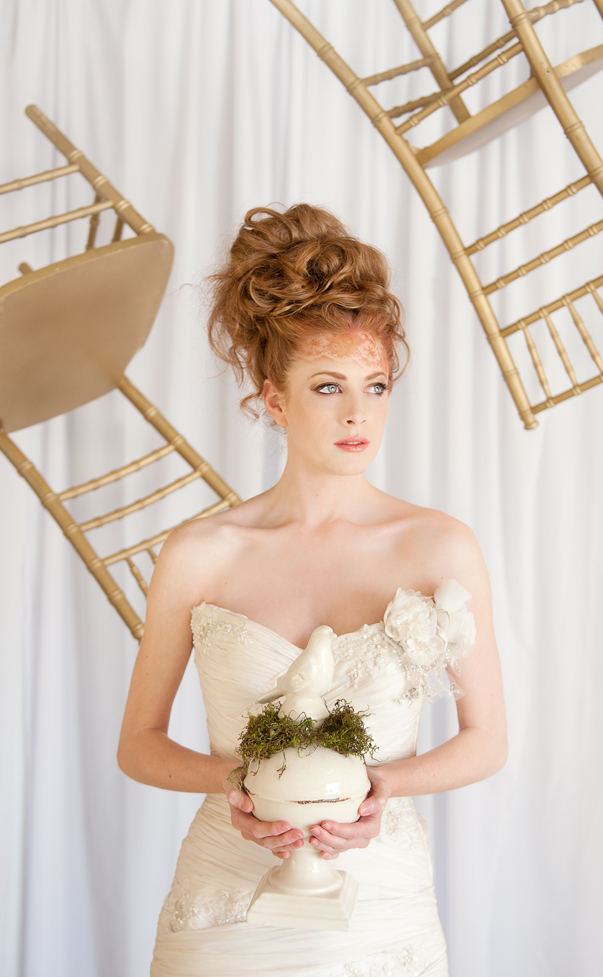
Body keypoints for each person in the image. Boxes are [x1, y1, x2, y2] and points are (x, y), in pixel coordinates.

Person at [117, 203, 507, 977]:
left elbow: (487, 740)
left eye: (377, 384)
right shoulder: (201, 553)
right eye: (329, 387)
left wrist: (382, 785)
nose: (360, 412)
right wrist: (239, 783)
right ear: (274, 398)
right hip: (228, 904)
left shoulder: (438, 546)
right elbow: (139, 745)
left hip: (379, 906)